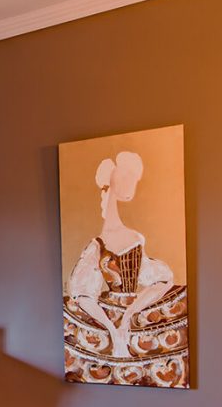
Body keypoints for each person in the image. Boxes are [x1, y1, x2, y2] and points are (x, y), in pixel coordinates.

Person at [66, 152, 175, 360]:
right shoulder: (96, 246)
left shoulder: (135, 239)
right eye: (126, 176)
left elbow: (163, 279)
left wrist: (129, 314)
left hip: (135, 312)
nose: (129, 183)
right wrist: (112, 328)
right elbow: (82, 294)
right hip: (108, 315)